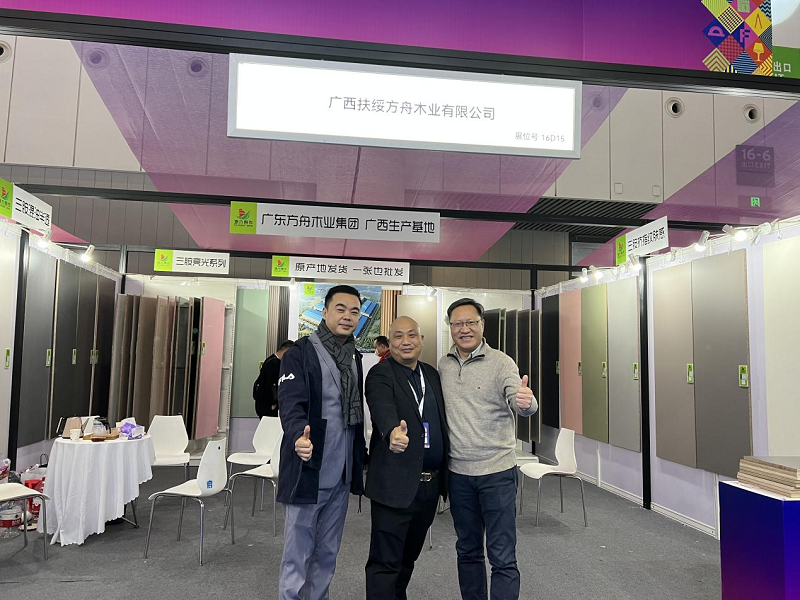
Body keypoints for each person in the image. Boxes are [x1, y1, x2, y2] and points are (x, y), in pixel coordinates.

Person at [438, 298, 537, 600]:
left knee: (502, 555)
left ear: (482, 324)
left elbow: (521, 401)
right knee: (467, 551)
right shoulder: (443, 365)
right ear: (450, 327)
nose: (464, 329)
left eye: (471, 322)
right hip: (458, 475)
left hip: (497, 473)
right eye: (458, 323)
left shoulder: (501, 363)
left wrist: (526, 403)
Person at [276, 285, 367, 600]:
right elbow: (290, 403)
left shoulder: (354, 356)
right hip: (309, 466)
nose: (347, 316)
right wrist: (297, 435)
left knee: (328, 551)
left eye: (354, 312)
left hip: (342, 472)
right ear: (325, 311)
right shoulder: (300, 353)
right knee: (297, 551)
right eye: (340, 309)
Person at [364, 316, 449, 600]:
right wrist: (391, 432)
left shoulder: (431, 375)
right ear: (390, 343)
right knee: (385, 562)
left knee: (407, 558)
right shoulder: (380, 374)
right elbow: (381, 406)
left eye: (412, 335)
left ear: (421, 340)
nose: (406, 342)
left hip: (429, 486)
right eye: (398, 336)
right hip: (394, 484)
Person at [253, 340, 294, 417]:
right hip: (268, 405)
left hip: (264, 403)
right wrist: (274, 402)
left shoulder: (270, 360)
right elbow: (271, 385)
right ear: (286, 352)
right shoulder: (274, 364)